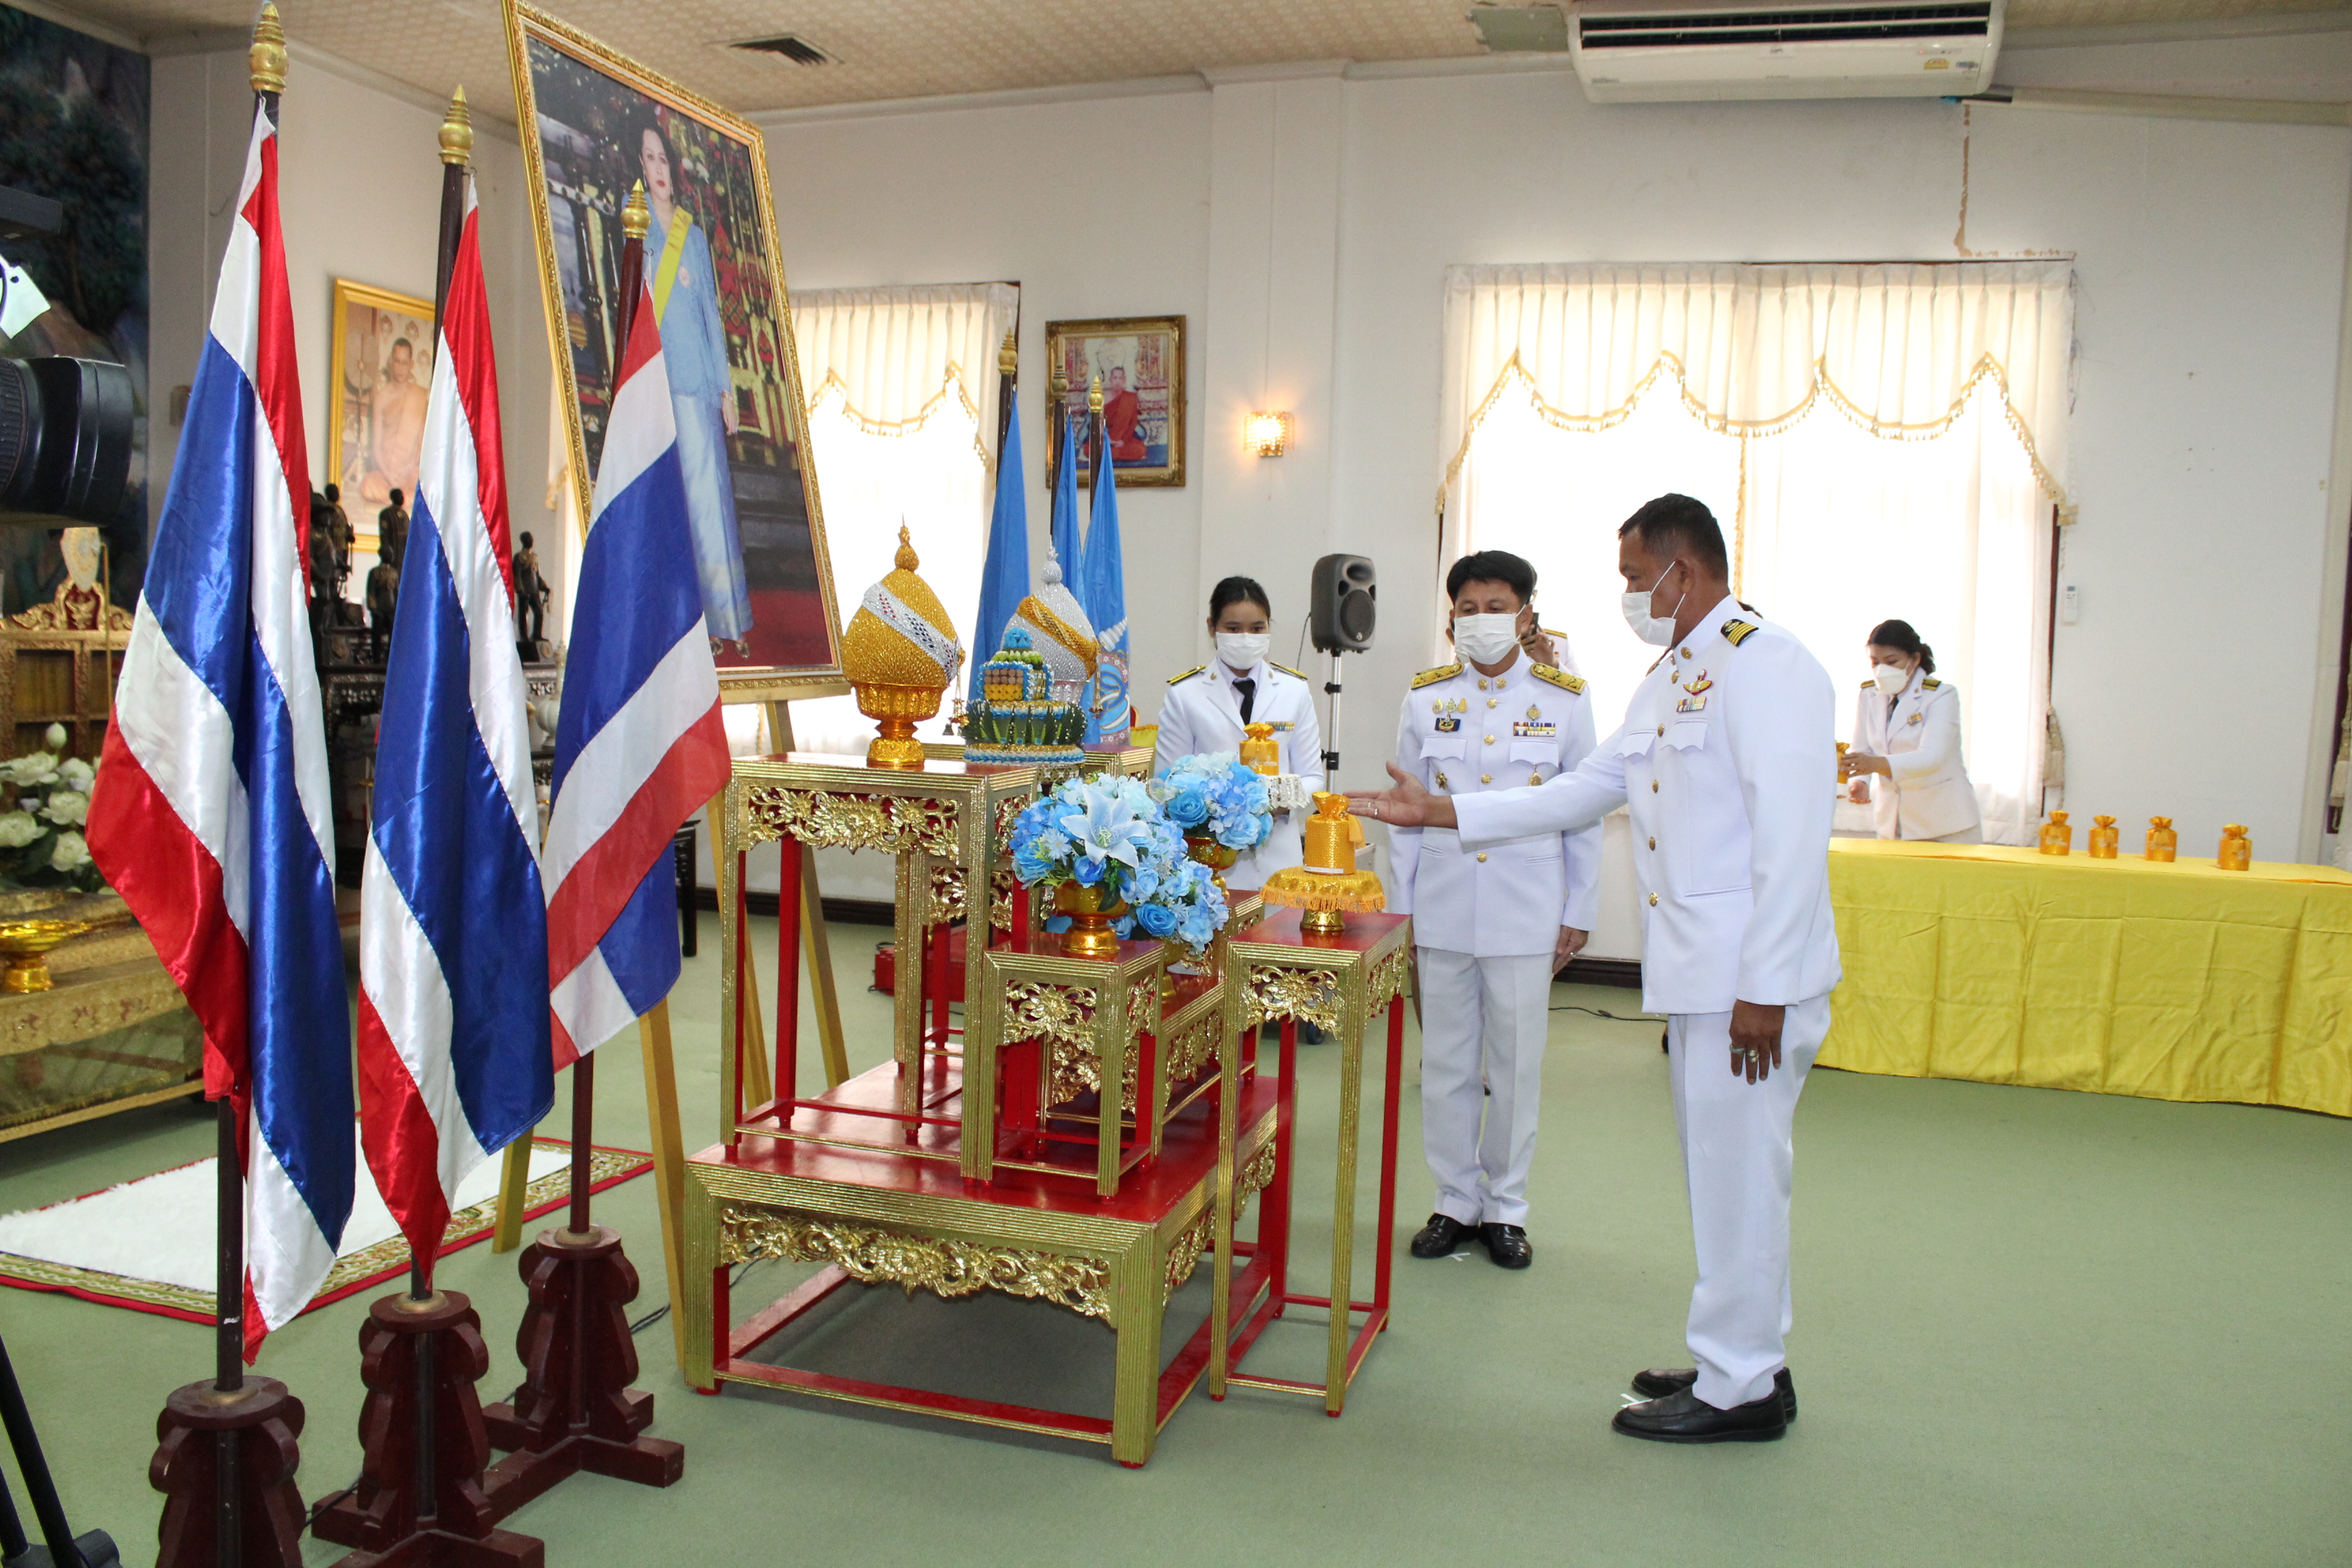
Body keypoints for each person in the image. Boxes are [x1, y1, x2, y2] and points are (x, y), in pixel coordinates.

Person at [1350, 493, 1839, 1444]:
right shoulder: (1675, 678)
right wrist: (1445, 815)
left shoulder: (1768, 665)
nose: (1627, 597)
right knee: (1724, 1175)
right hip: (1706, 974)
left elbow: (1793, 838)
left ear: (1680, 573)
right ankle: (1744, 1359)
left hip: (1748, 981)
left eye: (1631, 578)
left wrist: (1765, 989)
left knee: (1740, 1176)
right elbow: (1582, 790)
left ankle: (1739, 1388)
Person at [1390, 549, 1599, 1271]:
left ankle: (1507, 1207)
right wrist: (1400, 910)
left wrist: (1579, 905)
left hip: (1525, 906)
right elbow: (1405, 812)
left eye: (1497, 606)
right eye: (1469, 609)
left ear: (1527, 612)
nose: (1483, 620)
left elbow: (1586, 813)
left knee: (1514, 1066)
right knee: (1447, 1062)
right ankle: (1455, 1200)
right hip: (1445, 904)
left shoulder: (1564, 699)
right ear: (1451, 620)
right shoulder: (1424, 699)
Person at [637, 115, 753, 651]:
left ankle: (720, 618)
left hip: (699, 384)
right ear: (639, 167)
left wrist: (726, 390)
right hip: (659, 384)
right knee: (673, 503)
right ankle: (678, 620)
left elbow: (712, 314)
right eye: (649, 159)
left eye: (664, 158)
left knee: (709, 499)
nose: (658, 168)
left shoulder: (694, 237)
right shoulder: (637, 232)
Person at [1154, 576, 1322, 891]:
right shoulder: (1185, 694)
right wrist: (1223, 805)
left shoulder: (1294, 690)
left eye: (1257, 629)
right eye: (1233, 629)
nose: (1246, 638)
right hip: (1209, 863)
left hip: (1279, 860)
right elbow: (1166, 785)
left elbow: (1313, 777)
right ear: (1212, 628)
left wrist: (1265, 800)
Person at [1842, 618, 1982, 843]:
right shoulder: (1869, 694)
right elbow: (1863, 748)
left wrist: (1875, 764)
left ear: (1915, 659)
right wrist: (1859, 782)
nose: (1881, 670)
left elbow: (1932, 757)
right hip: (1893, 823)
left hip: (1945, 825)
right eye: (1875, 662)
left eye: (1891, 661)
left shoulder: (1941, 695)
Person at [361, 337, 428, 507]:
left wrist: (407, 470)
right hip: (386, 472)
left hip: (409, 472)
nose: (400, 368)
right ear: (391, 362)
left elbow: (421, 446)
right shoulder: (382, 397)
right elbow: (376, 447)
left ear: (411, 365)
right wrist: (389, 474)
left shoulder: (420, 396)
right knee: (367, 485)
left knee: (424, 488)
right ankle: (401, 499)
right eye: (397, 362)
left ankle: (395, 499)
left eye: (405, 363)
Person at [1102, 364, 1146, 463]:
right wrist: (1108, 439)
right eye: (1115, 378)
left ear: (1124, 380)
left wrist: (1123, 441)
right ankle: (1112, 453)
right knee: (1089, 448)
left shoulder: (1130, 398)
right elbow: (1099, 424)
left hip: (1125, 440)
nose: (1117, 381)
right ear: (1110, 380)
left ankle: (1110, 454)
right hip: (1108, 440)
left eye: (1120, 378)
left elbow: (1133, 423)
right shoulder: (1103, 399)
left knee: (1140, 449)